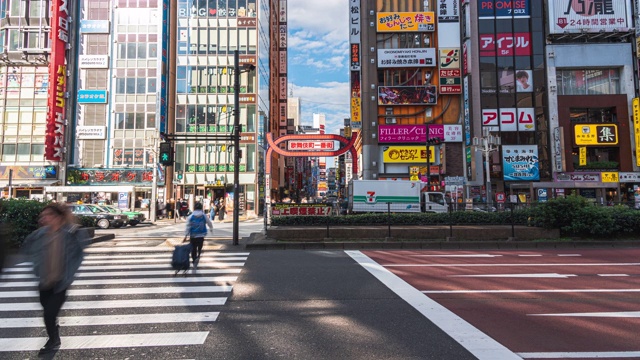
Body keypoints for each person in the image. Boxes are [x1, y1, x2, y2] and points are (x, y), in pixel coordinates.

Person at [21, 203, 87, 355]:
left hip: (60, 284)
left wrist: (68, 276)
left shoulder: (70, 234)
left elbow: (79, 254)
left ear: (57, 218)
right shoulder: (39, 234)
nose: (43, 219)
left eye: (48, 215)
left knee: (49, 314)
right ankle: (54, 331)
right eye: (42, 216)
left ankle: (53, 340)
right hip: (44, 282)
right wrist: (35, 267)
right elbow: (27, 247)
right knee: (48, 313)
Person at [183, 202, 213, 268]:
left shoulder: (191, 216)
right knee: (200, 247)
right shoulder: (203, 215)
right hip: (201, 235)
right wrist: (211, 228)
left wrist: (185, 236)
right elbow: (209, 222)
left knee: (193, 249)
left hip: (193, 235)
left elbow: (188, 226)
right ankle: (198, 256)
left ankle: (194, 259)